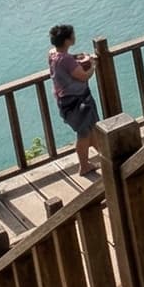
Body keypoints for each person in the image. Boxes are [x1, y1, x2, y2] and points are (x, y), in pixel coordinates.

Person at [48, 25, 99, 175]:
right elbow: (84, 76)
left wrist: (77, 57)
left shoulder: (52, 54)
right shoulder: (66, 60)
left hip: (66, 101)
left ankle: (103, 155)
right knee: (84, 133)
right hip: (77, 102)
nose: (74, 36)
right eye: (72, 35)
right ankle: (83, 166)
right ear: (67, 40)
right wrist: (93, 65)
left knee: (92, 128)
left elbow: (65, 60)